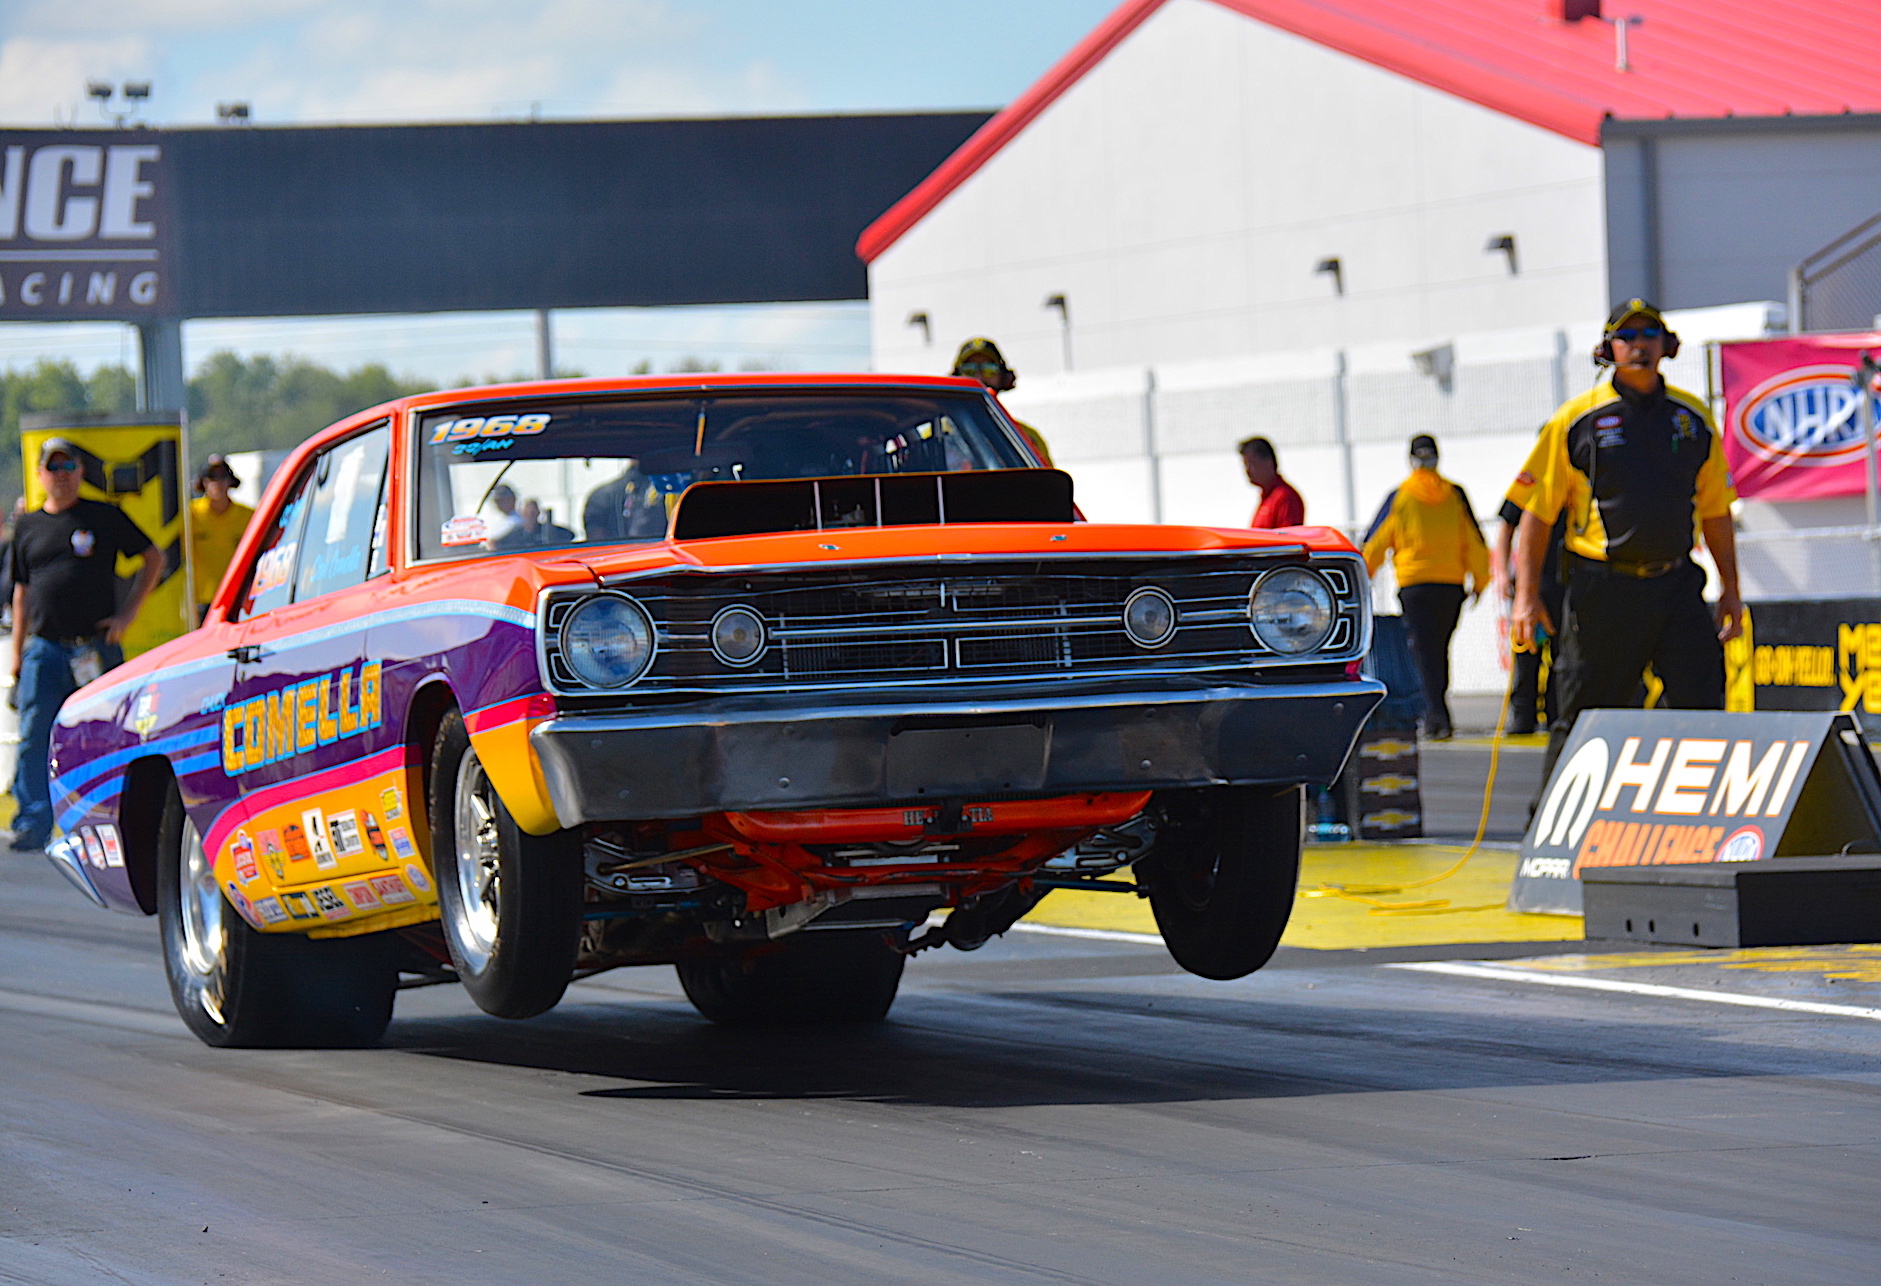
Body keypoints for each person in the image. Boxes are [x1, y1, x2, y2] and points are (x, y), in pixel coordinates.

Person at [1510, 298, 1743, 786]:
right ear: (1607, 349)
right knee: (1585, 716)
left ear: (1667, 347)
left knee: (1702, 702)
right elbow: (1535, 517)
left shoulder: (1693, 417)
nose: (1638, 346)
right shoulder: (1577, 419)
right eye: (1627, 337)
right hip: (1603, 591)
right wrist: (1525, 598)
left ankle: (1698, 816)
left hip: (1676, 583)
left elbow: (1717, 510)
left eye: (1648, 336)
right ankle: (1553, 831)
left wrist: (1732, 591)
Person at [8, 438, 162, 850]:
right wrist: (16, 651)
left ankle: (112, 820)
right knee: (34, 735)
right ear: (40, 474)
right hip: (44, 647)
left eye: (69, 466)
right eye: (53, 466)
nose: (61, 474)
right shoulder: (27, 526)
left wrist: (127, 615)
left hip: (95, 646)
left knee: (105, 734)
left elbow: (154, 558)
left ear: (80, 472)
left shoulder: (103, 516)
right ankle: (34, 822)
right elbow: (21, 591)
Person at [1363, 434, 1489, 741]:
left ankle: (1435, 717)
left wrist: (1363, 575)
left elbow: (1376, 541)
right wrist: (1481, 581)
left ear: (1410, 460)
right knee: (1439, 650)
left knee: (1422, 652)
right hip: (1450, 586)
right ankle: (1438, 714)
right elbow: (1474, 541)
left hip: (1415, 585)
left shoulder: (1401, 496)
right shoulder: (1455, 494)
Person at [1492, 495, 1565, 735]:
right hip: (1530, 583)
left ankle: (1557, 714)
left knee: (1563, 657)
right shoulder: (1533, 482)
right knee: (1526, 653)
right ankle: (1523, 717)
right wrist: (1502, 573)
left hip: (1566, 583)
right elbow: (1506, 527)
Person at [952, 337, 1054, 465]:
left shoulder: (1027, 437)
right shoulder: (935, 434)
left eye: (989, 369)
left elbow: (1045, 481)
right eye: (970, 369)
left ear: (1002, 376)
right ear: (957, 375)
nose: (979, 376)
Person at [189, 455, 254, 622]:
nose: (217, 483)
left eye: (222, 477)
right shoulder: (191, 515)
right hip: (201, 600)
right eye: (211, 477)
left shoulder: (248, 516)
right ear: (202, 482)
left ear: (230, 481)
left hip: (238, 597)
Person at [1239, 436, 1304, 528]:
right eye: (1246, 465)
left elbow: (1287, 538)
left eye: (1252, 464)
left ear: (1268, 462)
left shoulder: (1284, 497)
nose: (1248, 471)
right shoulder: (1268, 497)